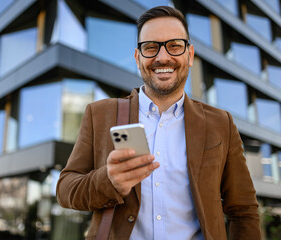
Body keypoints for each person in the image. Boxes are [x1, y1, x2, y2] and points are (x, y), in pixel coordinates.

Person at [56, 6, 261, 240]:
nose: (163, 57)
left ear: (190, 55)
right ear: (137, 58)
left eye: (174, 45)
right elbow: (65, 190)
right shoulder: (99, 114)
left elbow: (243, 209)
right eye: (151, 47)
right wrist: (108, 181)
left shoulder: (220, 123)